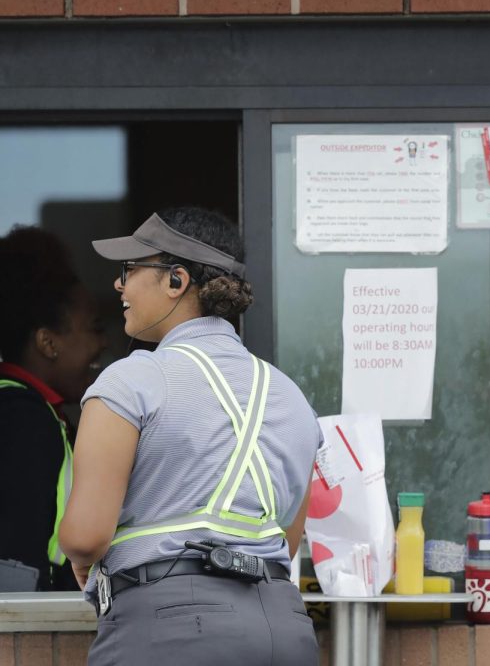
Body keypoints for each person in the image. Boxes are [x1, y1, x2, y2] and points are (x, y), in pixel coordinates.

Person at [59, 207, 321, 665]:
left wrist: (87, 553)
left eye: (130, 269)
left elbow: (84, 538)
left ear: (176, 281)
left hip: (170, 628)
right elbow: (285, 539)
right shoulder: (292, 397)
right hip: (285, 628)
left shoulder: (133, 379)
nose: (119, 285)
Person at [0, 225, 106, 591]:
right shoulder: (22, 418)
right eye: (94, 328)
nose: (103, 345)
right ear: (48, 342)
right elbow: (15, 555)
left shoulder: (30, 411)